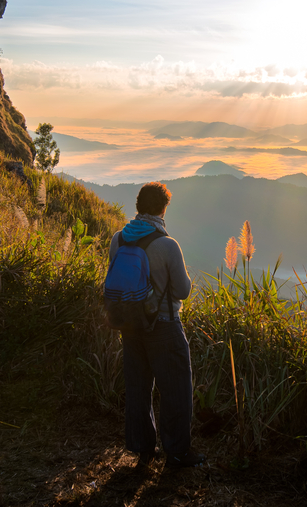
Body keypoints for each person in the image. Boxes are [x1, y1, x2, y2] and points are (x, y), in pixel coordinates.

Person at [108, 181, 205, 469]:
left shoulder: (119, 239)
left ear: (138, 207)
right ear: (163, 209)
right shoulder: (167, 244)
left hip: (130, 324)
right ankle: (176, 453)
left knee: (138, 387)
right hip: (163, 326)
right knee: (176, 390)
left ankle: (142, 448)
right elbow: (182, 291)